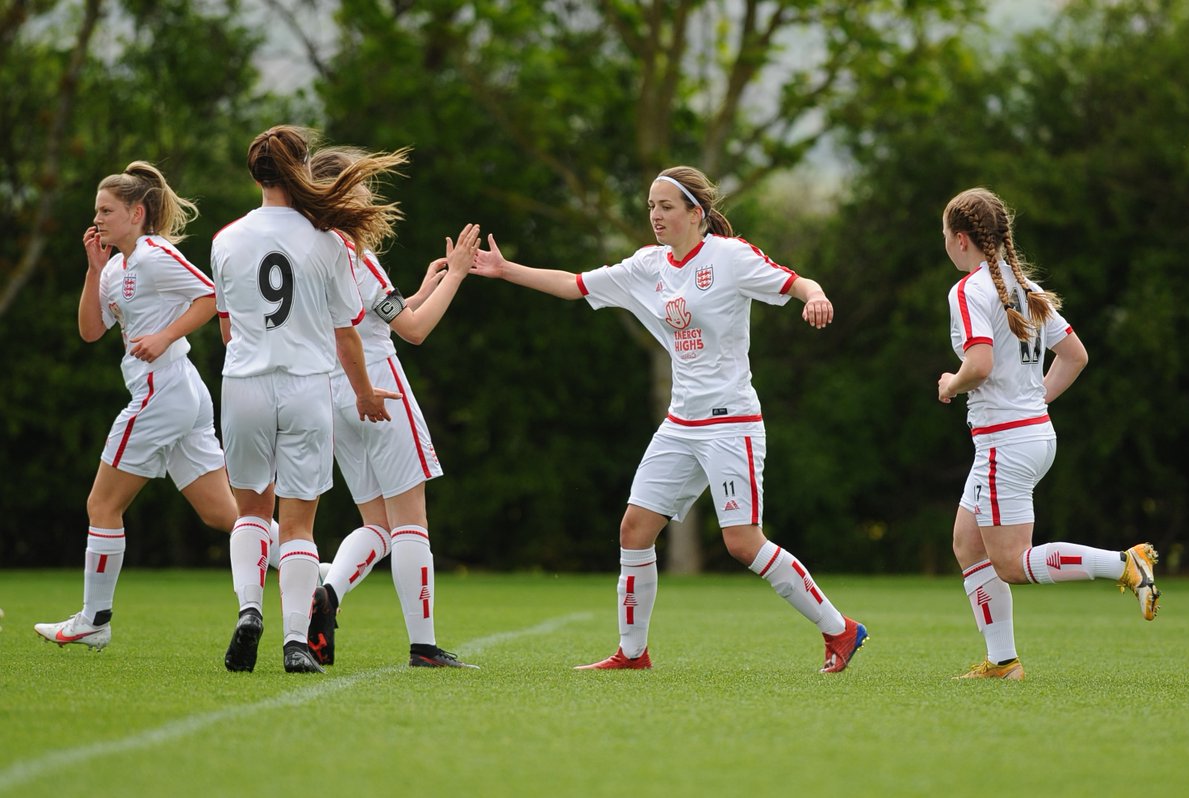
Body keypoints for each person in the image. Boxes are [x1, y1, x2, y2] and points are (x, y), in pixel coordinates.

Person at [471, 165, 869, 672]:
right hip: (681, 424)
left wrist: (815, 296)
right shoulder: (648, 265)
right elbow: (575, 285)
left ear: (695, 215)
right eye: (651, 207)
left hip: (731, 422)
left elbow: (796, 282)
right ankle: (632, 654)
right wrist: (507, 271)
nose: (655, 216)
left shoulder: (729, 256)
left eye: (666, 207)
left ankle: (841, 630)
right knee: (634, 529)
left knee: (742, 543)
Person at [34, 161, 279, 651]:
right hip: (177, 395)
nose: (97, 218)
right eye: (96, 210)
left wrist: (164, 336)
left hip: (162, 392)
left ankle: (94, 619)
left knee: (102, 504)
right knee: (224, 514)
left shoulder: (152, 253)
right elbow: (90, 331)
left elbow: (210, 296)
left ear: (136, 212)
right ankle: (313, 571)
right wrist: (93, 271)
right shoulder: (119, 266)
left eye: (106, 210)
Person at [937, 187, 1161, 681]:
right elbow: (1075, 354)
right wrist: (1034, 402)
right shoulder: (1024, 286)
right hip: (1030, 435)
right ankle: (1002, 662)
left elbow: (978, 364)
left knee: (1012, 563)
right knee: (967, 543)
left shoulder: (969, 290)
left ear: (959, 240)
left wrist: (951, 385)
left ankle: (1124, 563)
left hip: (1005, 443)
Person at [211, 126, 405, 674]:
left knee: (251, 512)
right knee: (298, 525)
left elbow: (228, 329)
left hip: (244, 383)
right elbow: (348, 335)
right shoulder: (329, 242)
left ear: (254, 175)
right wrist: (365, 395)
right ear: (301, 170)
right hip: (306, 387)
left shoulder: (226, 239)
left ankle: (250, 611)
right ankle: (296, 641)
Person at [304, 146, 480, 669]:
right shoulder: (354, 252)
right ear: (344, 192)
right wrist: (459, 274)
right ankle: (423, 647)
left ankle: (328, 591)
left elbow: (389, 314)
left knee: (376, 526)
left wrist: (426, 287)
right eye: (360, 185)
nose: (368, 195)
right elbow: (415, 332)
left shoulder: (313, 250)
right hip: (379, 387)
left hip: (335, 395)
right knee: (409, 524)